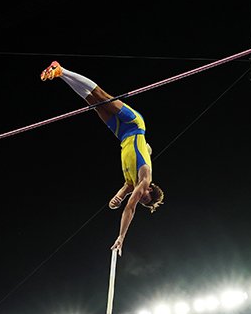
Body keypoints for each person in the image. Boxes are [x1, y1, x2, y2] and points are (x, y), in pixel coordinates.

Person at [41, 61, 164, 254]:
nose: (139, 199)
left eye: (141, 201)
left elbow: (121, 197)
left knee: (95, 105)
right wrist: (121, 237)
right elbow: (129, 209)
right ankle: (62, 69)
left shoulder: (131, 183)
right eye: (144, 198)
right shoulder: (144, 179)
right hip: (134, 124)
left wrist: (115, 200)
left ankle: (59, 74)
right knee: (103, 97)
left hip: (121, 134)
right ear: (149, 189)